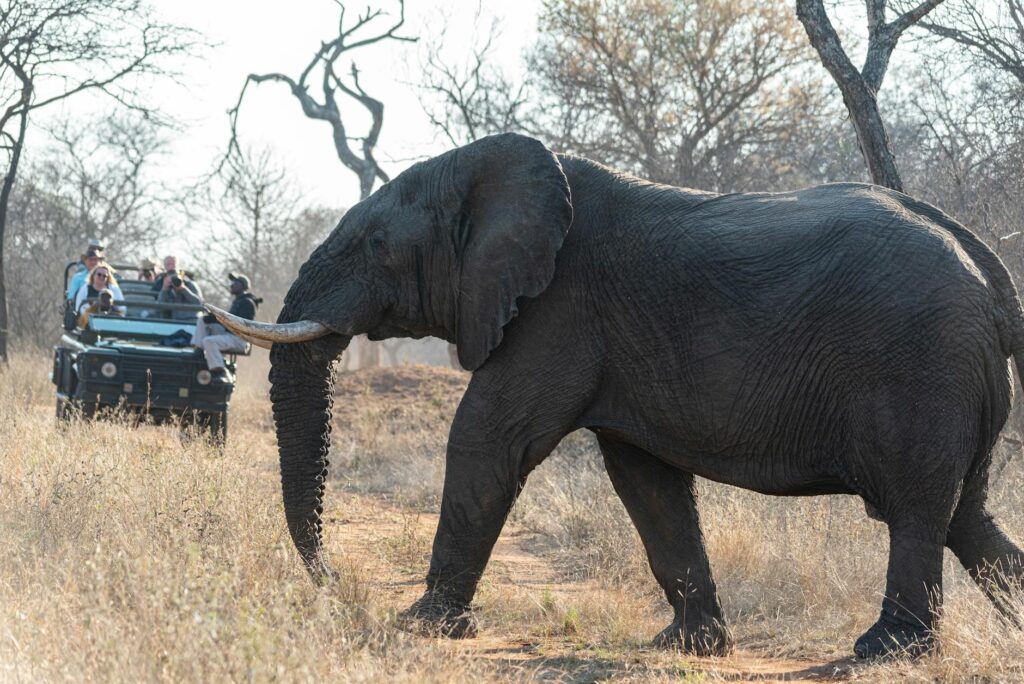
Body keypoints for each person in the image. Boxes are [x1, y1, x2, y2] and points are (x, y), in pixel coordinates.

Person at [192, 273, 260, 381]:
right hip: (230, 334)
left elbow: (240, 325)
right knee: (202, 320)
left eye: (235, 283)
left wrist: (218, 319)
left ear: (243, 286)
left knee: (209, 341)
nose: (232, 285)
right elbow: (229, 321)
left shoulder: (247, 303)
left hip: (239, 339)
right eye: (232, 282)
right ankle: (199, 350)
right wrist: (213, 317)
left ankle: (219, 371)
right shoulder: (238, 301)